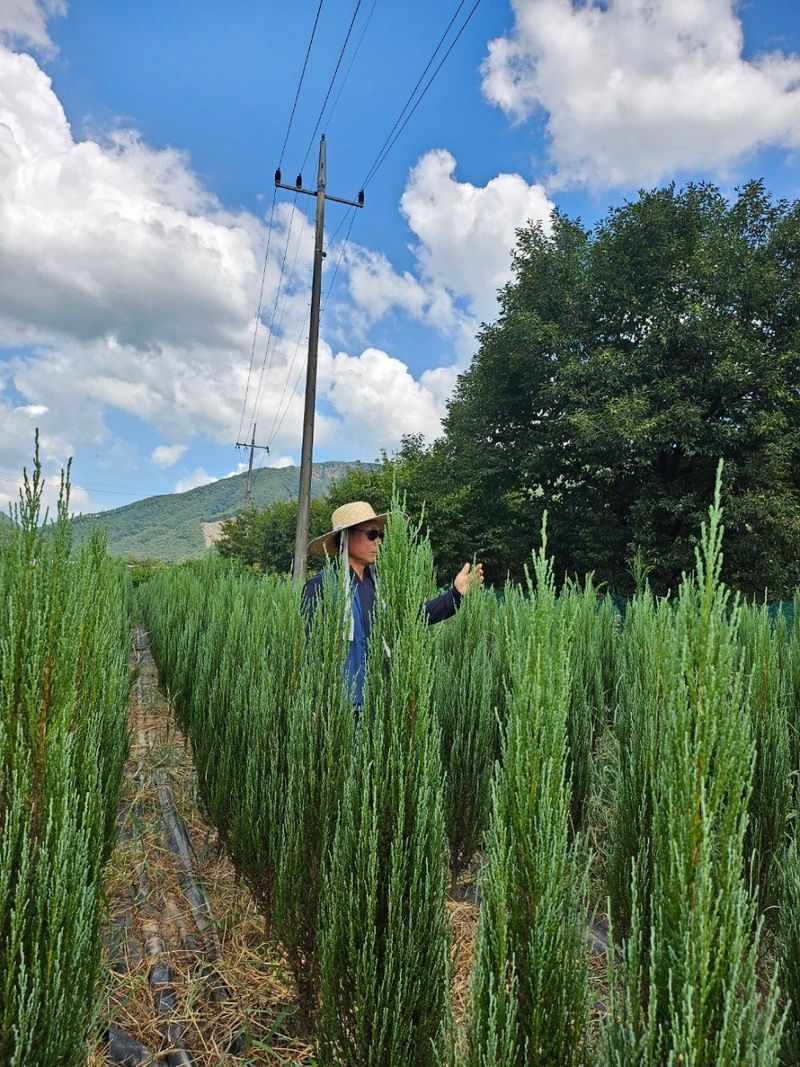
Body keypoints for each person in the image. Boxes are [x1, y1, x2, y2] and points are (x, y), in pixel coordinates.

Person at [302, 501, 483, 707]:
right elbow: (312, 654)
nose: (378, 541)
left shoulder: (380, 586)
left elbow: (411, 616)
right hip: (339, 708)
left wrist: (455, 595)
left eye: (380, 535)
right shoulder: (320, 587)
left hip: (378, 703)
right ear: (347, 537)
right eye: (372, 534)